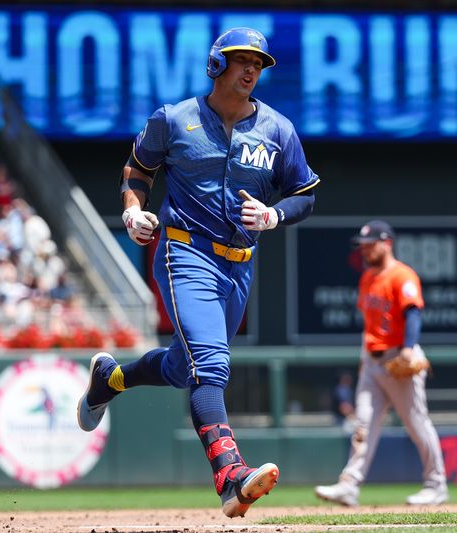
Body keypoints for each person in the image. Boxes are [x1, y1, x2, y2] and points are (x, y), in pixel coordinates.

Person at [76, 28, 319, 518]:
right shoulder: (174, 118)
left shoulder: (278, 130)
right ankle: (230, 475)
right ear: (216, 65)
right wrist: (131, 209)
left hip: (239, 266)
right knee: (211, 365)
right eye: (241, 60)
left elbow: (306, 193)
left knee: (182, 367)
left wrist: (274, 215)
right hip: (184, 252)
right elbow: (137, 170)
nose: (251, 69)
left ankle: (111, 378)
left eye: (258, 62)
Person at [314, 220, 448, 507]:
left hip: (399, 356)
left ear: (386, 243)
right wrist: (364, 360)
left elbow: (413, 313)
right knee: (363, 425)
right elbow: (369, 324)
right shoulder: (368, 278)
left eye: (369, 245)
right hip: (373, 362)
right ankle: (349, 485)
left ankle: (436, 486)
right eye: (362, 246)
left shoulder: (402, 276)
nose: (364, 250)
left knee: (416, 424)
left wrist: (409, 349)